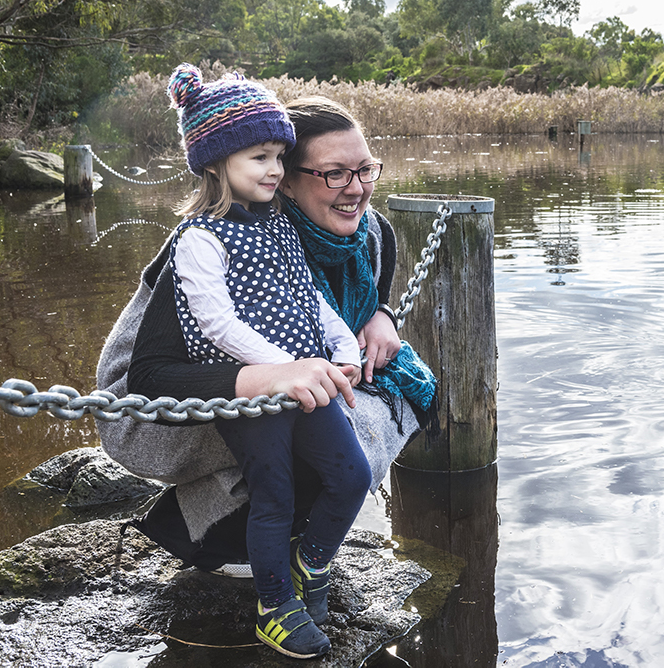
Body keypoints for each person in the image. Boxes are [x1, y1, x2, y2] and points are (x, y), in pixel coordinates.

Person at [95, 82, 437, 659]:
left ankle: (302, 553)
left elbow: (352, 289)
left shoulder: (367, 232)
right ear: (286, 182)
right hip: (159, 410)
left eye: (365, 170)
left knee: (390, 395)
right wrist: (271, 375)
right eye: (334, 174)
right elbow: (150, 374)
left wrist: (379, 313)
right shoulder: (211, 244)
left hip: (292, 377)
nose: (356, 190)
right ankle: (225, 543)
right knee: (317, 446)